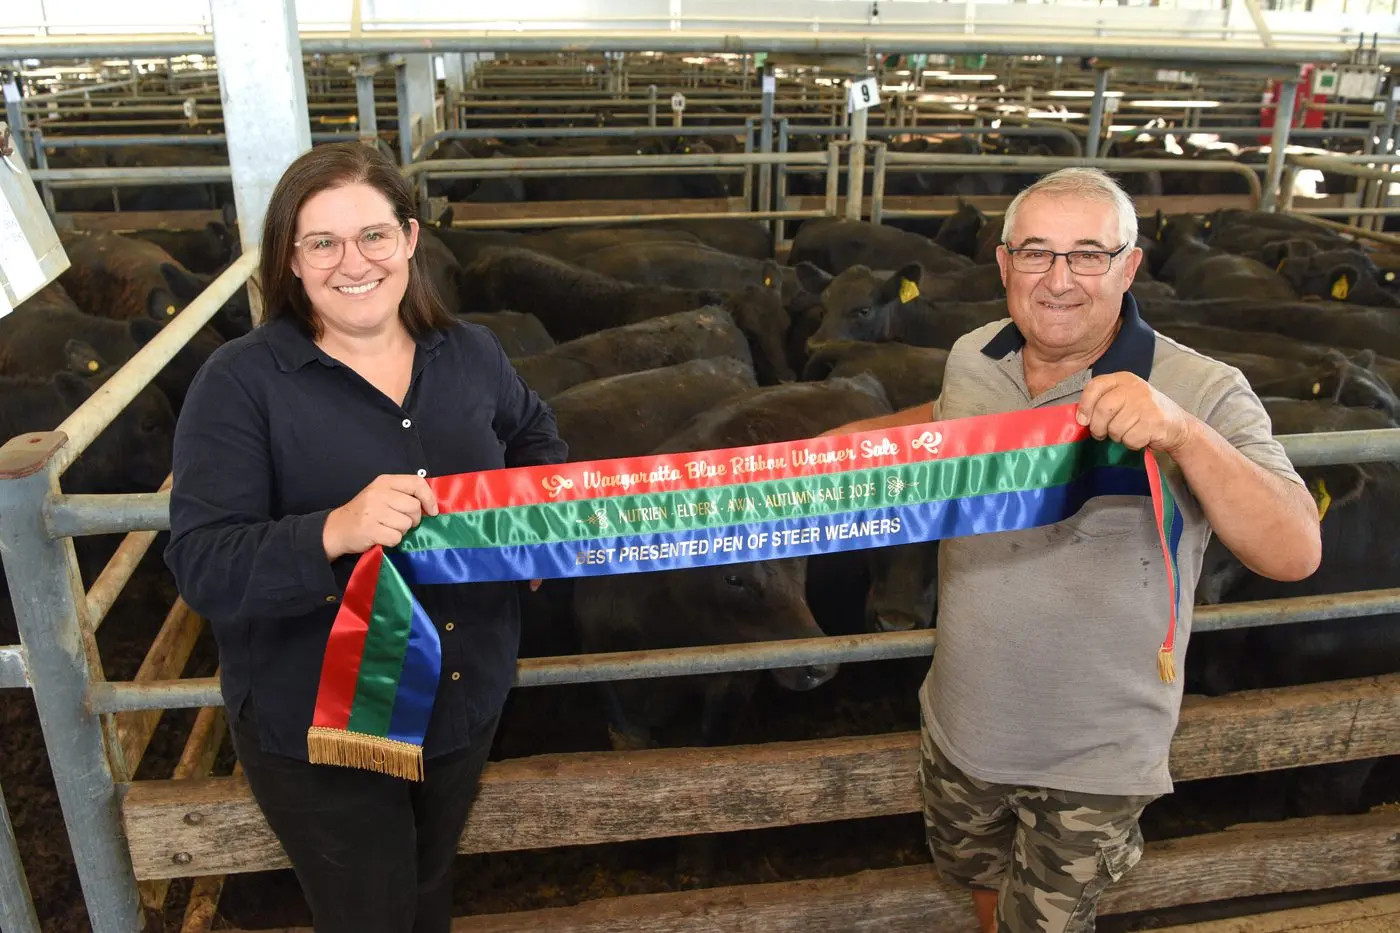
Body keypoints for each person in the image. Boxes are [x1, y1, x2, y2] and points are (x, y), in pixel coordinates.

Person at [824, 167, 1321, 933]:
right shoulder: (974, 355)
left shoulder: (1200, 386)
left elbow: (1294, 548)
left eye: (1088, 254)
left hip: (1093, 752)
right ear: (1003, 264)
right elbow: (952, 419)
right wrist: (854, 445)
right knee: (983, 892)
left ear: (1128, 265)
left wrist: (1183, 434)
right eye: (1036, 253)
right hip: (963, 722)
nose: (1058, 279)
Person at [164, 142, 567, 933]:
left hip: (464, 693)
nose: (354, 262)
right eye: (323, 242)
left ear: (410, 239)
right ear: (290, 259)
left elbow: (536, 433)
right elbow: (202, 563)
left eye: (374, 236)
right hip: (326, 727)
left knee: (427, 888)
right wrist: (334, 530)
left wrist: (533, 524)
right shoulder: (240, 384)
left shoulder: (472, 355)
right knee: (371, 914)